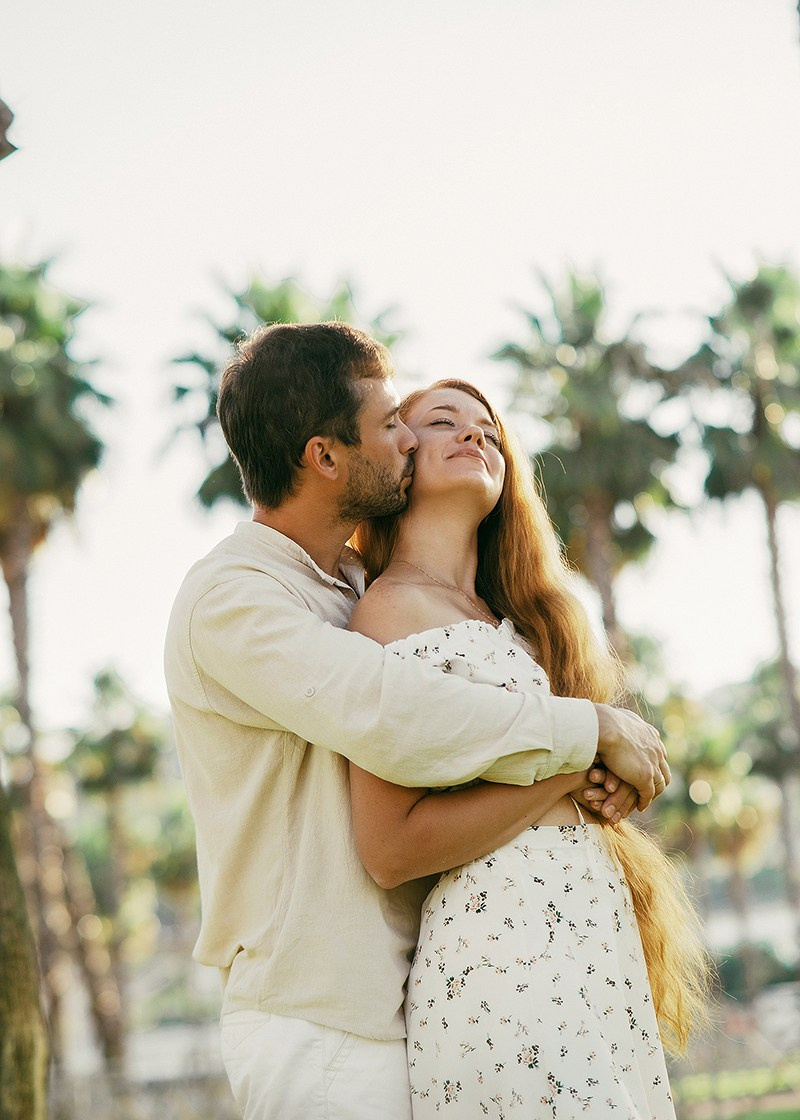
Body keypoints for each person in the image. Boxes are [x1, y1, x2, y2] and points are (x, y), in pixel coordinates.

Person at [163, 323, 671, 1120]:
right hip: (321, 1025)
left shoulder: (347, 585)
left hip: (406, 1001)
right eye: (390, 423)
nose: (407, 439)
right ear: (325, 456)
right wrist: (586, 739)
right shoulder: (234, 599)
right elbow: (392, 710)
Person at [349, 379, 710, 1119]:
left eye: (489, 431)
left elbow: (563, 766)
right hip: (501, 954)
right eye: (443, 422)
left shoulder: (520, 623)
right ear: (400, 459)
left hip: (590, 939)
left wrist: (607, 782)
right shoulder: (387, 611)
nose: (474, 435)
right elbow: (389, 847)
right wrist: (575, 765)